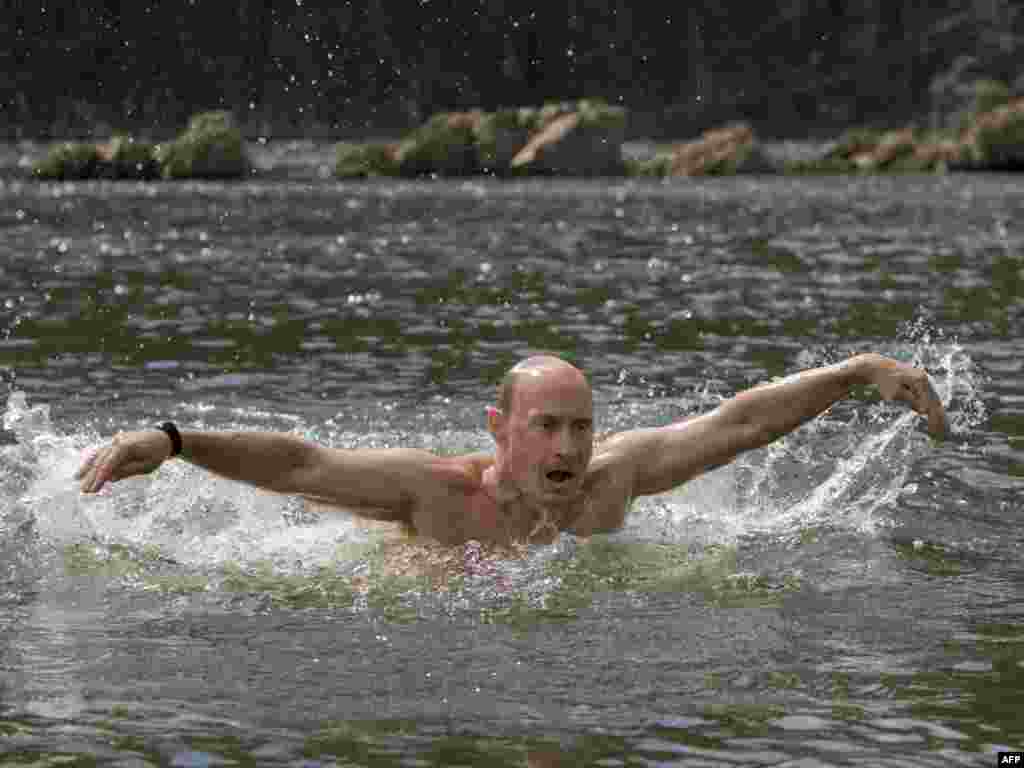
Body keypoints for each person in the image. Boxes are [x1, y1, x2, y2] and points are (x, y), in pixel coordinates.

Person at [76, 352, 946, 546]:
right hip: (424, 575)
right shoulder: (440, 492)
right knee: (332, 504)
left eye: (581, 424)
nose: (569, 444)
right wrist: (176, 440)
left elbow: (737, 424)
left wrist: (858, 371)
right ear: (500, 430)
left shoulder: (615, 482)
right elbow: (300, 463)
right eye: (546, 425)